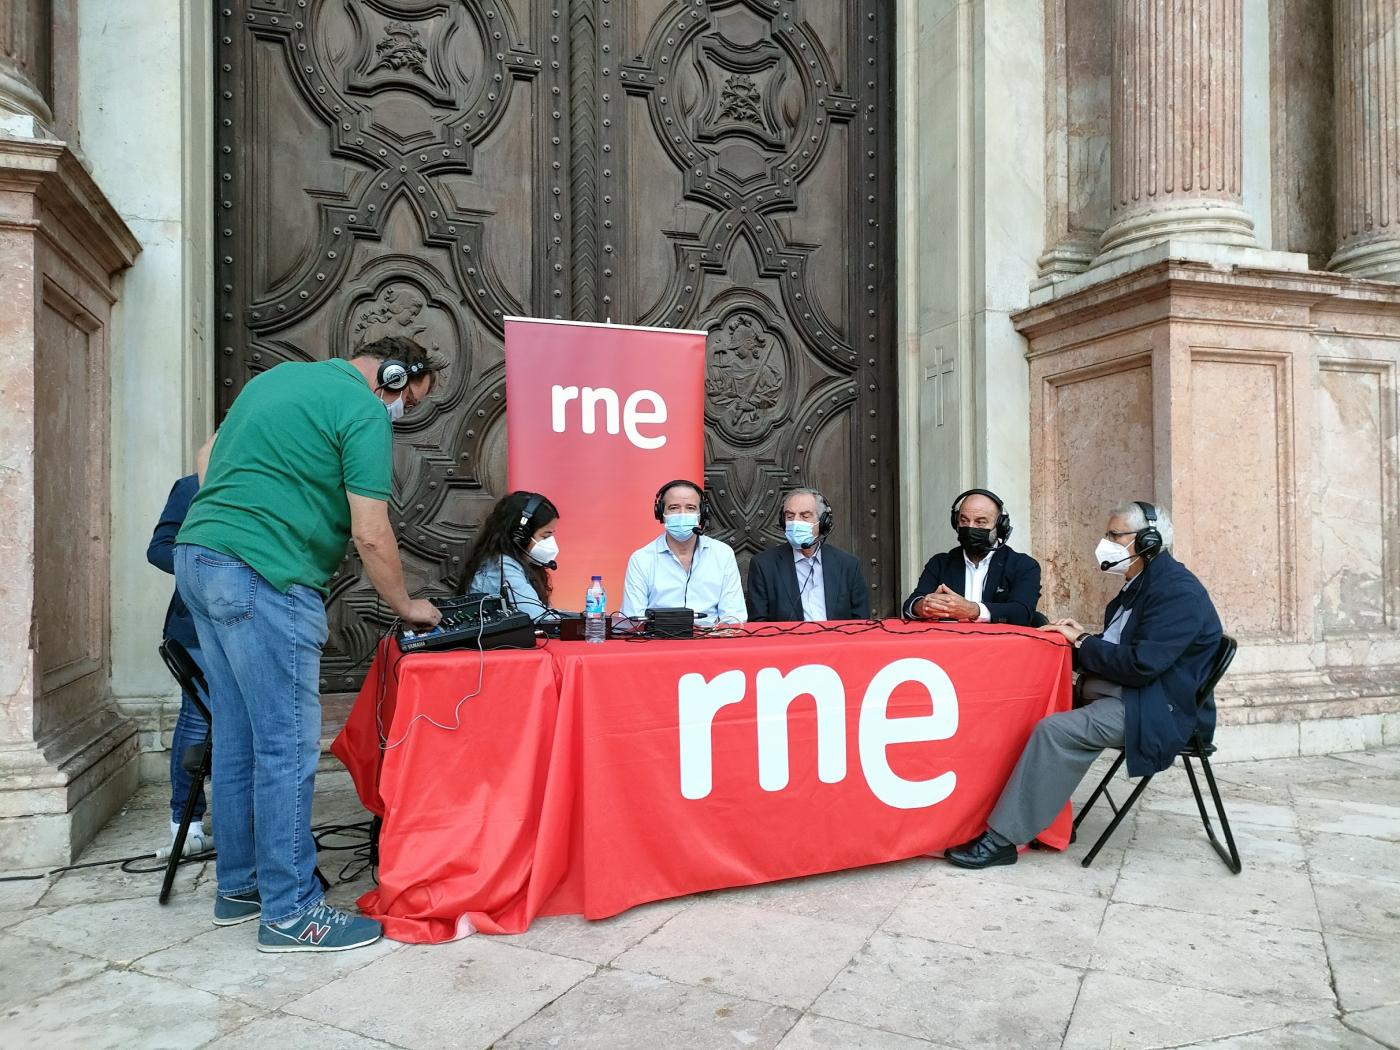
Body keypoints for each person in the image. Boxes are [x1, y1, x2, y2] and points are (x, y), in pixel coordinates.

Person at [174, 335, 444, 952]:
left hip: (200, 557)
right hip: (265, 574)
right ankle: (292, 912)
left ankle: (240, 885)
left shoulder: (274, 380)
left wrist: (239, 516)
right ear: (394, 377)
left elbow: (207, 454)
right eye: (409, 400)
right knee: (286, 745)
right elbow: (370, 532)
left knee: (238, 735)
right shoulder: (362, 409)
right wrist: (407, 606)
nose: (403, 413)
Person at [944, 500, 1223, 869]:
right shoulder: (1143, 583)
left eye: (1114, 536)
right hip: (1130, 693)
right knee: (1024, 707)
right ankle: (1042, 819)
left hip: (1156, 708)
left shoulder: (1177, 591)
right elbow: (1124, 647)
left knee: (1055, 731)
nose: (1105, 543)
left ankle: (1001, 840)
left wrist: (1082, 642)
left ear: (1148, 541)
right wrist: (1075, 638)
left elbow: (1141, 665)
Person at [147, 473, 212, 859]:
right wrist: (212, 566)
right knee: (199, 719)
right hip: (194, 628)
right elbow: (158, 549)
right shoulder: (191, 485)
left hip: (253, 621)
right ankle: (185, 825)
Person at [902, 488, 1041, 626]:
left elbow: (1022, 613)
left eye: (980, 522)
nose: (970, 527)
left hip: (999, 640)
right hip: (949, 639)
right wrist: (922, 606)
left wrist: (973, 610)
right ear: (955, 522)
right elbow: (910, 605)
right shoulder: (940, 563)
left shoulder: (1024, 565)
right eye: (964, 520)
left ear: (1000, 526)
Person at [621, 479, 747, 625]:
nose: (682, 514)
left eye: (691, 508)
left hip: (710, 636)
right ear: (661, 513)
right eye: (674, 508)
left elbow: (734, 618)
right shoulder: (641, 559)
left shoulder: (722, 554)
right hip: (657, 637)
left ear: (702, 513)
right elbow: (632, 621)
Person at [746, 488, 870, 621]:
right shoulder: (763, 565)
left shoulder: (847, 565)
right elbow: (758, 623)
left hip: (835, 635)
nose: (796, 522)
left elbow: (861, 620)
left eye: (805, 516)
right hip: (789, 635)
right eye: (790, 517)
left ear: (822, 522)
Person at [460, 491, 560, 621]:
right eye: (545, 536)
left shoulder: (519, 563)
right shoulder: (501, 566)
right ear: (520, 536)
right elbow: (539, 617)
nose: (550, 542)